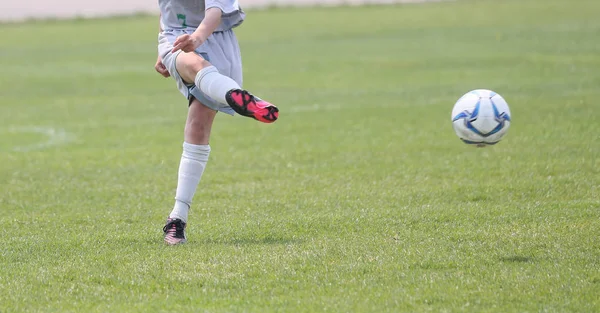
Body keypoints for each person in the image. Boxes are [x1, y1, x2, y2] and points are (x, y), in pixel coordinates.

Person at [154, 0, 279, 245]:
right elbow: (166, 8)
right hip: (177, 39)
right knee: (193, 64)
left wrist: (197, 39)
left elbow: (215, 11)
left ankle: (177, 217)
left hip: (214, 40)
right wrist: (162, 47)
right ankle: (236, 96)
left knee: (198, 126)